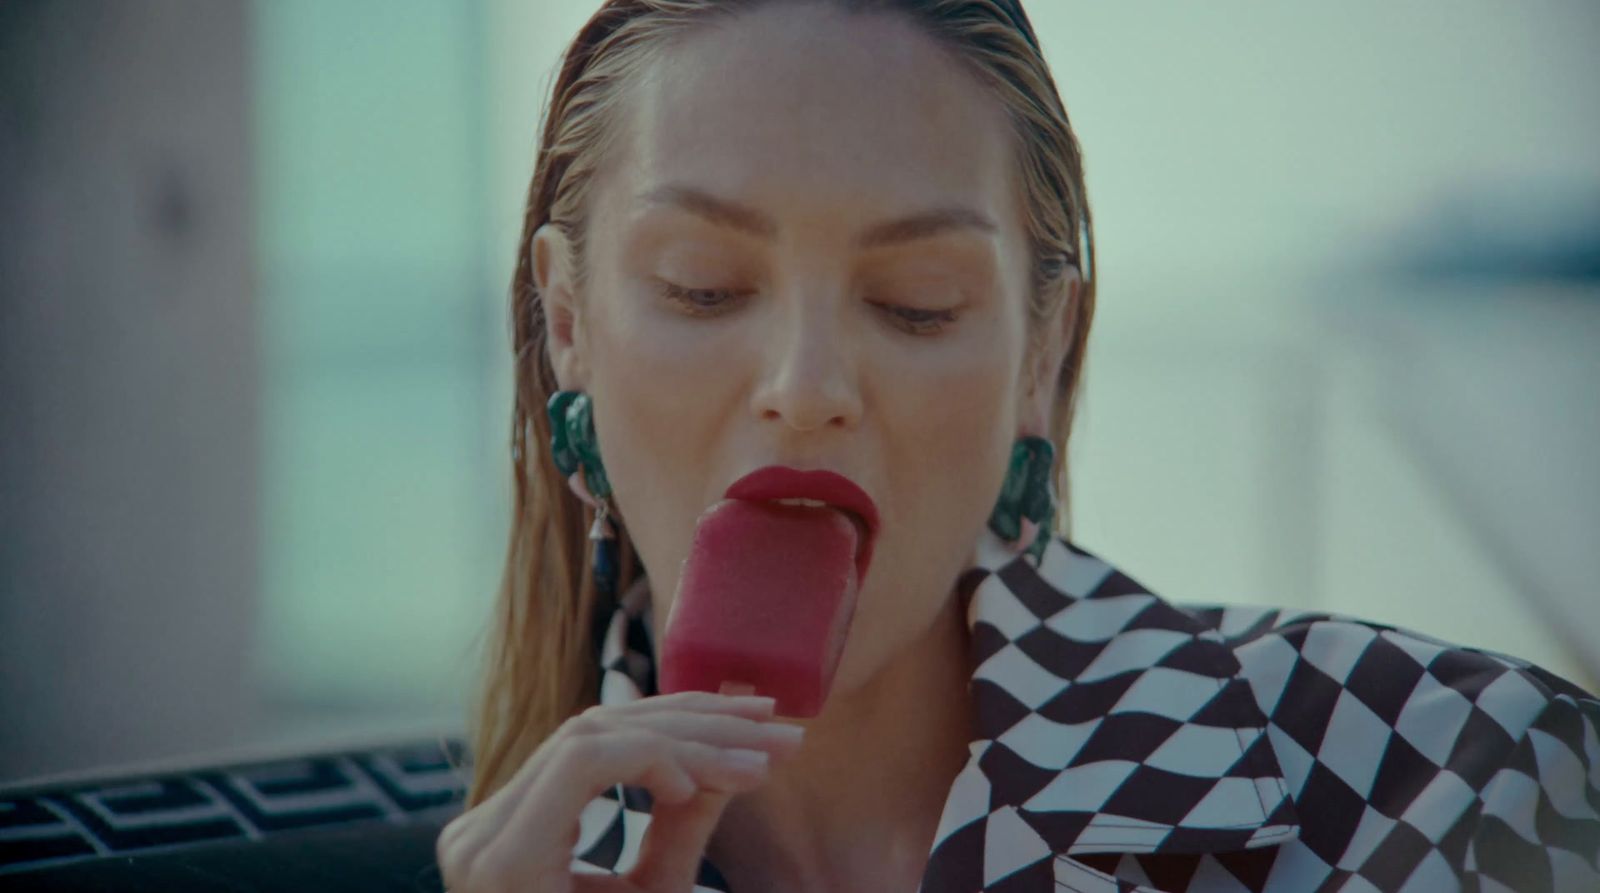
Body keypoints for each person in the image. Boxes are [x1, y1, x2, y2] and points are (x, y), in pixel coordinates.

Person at [435, 2, 1600, 890]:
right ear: (569, 322)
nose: (804, 388)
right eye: (702, 287)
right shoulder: (512, 860)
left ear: (1043, 352)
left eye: (916, 299)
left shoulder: (1466, 769)